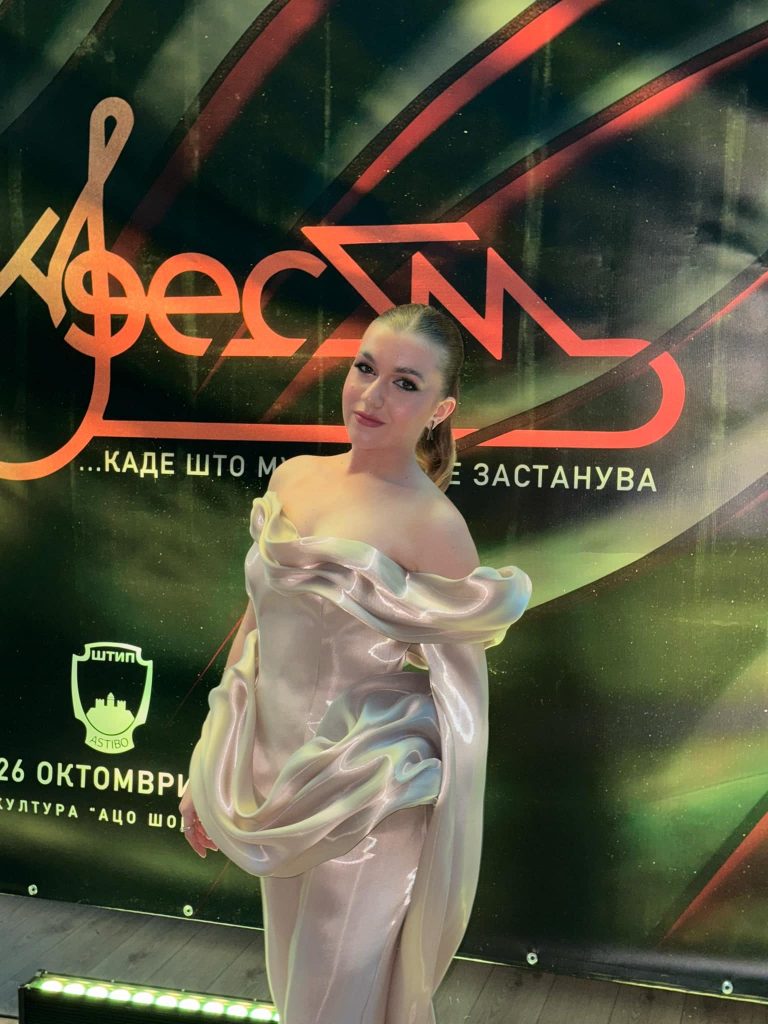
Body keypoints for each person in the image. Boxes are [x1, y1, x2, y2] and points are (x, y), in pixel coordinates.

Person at [179, 302, 532, 1024]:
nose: (372, 395)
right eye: (365, 368)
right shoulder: (293, 480)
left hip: (370, 799)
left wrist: (447, 831)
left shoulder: (434, 527)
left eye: (406, 383)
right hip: (278, 794)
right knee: (297, 1000)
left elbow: (462, 702)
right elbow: (255, 634)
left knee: (329, 1011)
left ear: (441, 409)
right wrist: (208, 768)